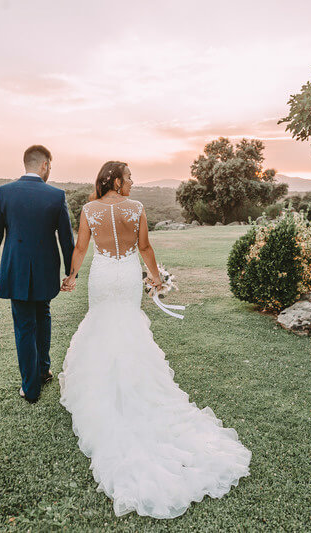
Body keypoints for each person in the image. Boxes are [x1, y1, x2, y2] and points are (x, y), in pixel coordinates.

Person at [57, 161, 251, 519]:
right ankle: (134, 385)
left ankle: (101, 388)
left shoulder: (88, 210)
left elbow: (81, 248)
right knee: (128, 326)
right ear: (116, 180)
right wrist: (157, 279)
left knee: (101, 326)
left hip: (102, 277)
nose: (132, 182)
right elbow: (144, 248)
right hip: (127, 277)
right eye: (128, 177)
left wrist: (71, 276)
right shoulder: (136, 209)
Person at [0, 145, 75, 403]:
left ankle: (30, 387)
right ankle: (43, 370)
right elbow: (66, 239)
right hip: (46, 271)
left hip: (16, 270)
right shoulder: (56, 196)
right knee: (43, 314)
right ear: (44, 165)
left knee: (25, 325)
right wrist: (71, 273)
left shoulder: (3, 193)